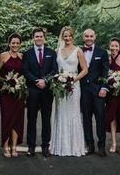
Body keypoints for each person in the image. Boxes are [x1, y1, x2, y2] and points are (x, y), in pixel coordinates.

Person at [50, 26, 88, 156]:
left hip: (74, 86)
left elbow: (85, 69)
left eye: (69, 35)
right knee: (61, 113)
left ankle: (75, 147)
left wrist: (73, 80)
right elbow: (55, 69)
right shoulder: (57, 51)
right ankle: (60, 146)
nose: (67, 38)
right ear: (62, 36)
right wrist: (58, 80)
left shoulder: (78, 50)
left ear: (73, 36)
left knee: (73, 113)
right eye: (65, 36)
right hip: (60, 88)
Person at [23, 27, 58, 157]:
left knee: (46, 119)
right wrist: (36, 81)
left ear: (44, 38)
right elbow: (26, 71)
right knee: (31, 119)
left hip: (47, 91)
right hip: (32, 91)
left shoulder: (51, 53)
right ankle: (31, 146)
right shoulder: (27, 53)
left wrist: (45, 80)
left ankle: (45, 146)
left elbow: (54, 70)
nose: (38, 38)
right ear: (33, 38)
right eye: (36, 36)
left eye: (41, 36)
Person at [80, 28, 109, 156]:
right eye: (87, 36)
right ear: (83, 37)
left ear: (95, 37)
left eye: (91, 36)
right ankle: (89, 145)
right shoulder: (78, 51)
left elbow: (105, 71)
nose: (89, 38)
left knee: (100, 118)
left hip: (98, 91)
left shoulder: (102, 52)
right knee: (86, 119)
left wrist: (104, 87)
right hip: (83, 91)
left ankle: (101, 146)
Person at [0, 33, 25, 158]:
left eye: (17, 43)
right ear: (9, 43)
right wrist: (5, 83)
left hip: (19, 94)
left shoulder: (22, 56)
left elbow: (24, 74)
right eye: (13, 43)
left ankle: (14, 146)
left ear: (20, 44)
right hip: (6, 93)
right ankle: (6, 146)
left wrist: (20, 84)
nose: (15, 45)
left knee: (17, 120)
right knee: (7, 119)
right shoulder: (3, 56)